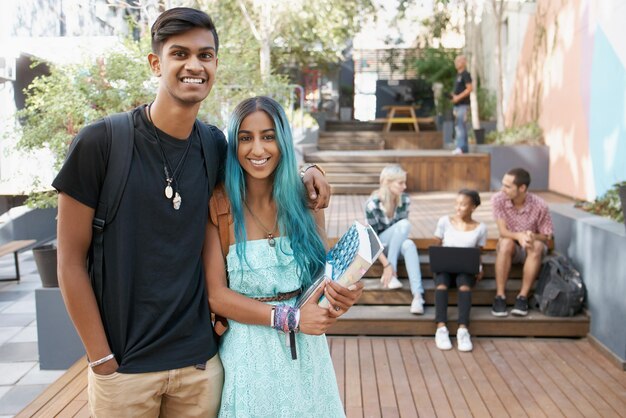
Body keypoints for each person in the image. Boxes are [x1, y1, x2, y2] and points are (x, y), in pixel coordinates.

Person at [53, 8, 329, 417]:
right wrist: (100, 358)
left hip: (200, 366)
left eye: (205, 54)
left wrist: (308, 171)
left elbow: (261, 166)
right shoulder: (101, 143)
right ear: (155, 62)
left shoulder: (213, 146)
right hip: (125, 371)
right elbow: (69, 260)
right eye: (179, 53)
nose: (194, 65)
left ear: (215, 63)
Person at [203, 96, 363, 417]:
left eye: (269, 136)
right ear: (234, 144)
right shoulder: (219, 205)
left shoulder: (305, 201)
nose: (258, 149)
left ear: (283, 141)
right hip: (249, 360)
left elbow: (320, 278)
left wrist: (341, 295)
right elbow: (216, 296)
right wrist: (291, 319)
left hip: (308, 358)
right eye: (246, 138)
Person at [491, 167, 553, 317]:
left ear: (522, 188)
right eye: (503, 184)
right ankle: (500, 297)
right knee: (506, 242)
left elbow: (547, 235)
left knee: (537, 245)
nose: (502, 189)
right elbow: (503, 231)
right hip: (511, 246)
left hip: (531, 249)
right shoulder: (498, 199)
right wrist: (519, 236)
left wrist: (532, 236)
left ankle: (522, 298)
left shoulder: (540, 205)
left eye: (507, 186)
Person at [365, 165, 424, 314]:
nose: (405, 187)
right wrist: (386, 265)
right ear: (387, 182)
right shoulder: (372, 204)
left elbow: (401, 233)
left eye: (404, 183)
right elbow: (372, 239)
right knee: (404, 224)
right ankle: (392, 271)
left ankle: (417, 296)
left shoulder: (404, 200)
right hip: (381, 246)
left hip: (396, 245)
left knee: (409, 244)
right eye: (400, 183)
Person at [432, 189, 487, 352]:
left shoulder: (480, 227)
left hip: (466, 269)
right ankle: (441, 328)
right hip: (444, 266)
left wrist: (480, 267)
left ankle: (463, 329)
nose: (458, 207)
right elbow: (436, 246)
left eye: (463, 204)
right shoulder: (444, 221)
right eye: (457, 203)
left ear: (473, 207)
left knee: (464, 286)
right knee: (441, 285)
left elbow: (479, 251)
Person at [451, 55, 473, 155]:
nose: (456, 63)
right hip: (457, 105)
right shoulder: (458, 75)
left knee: (461, 127)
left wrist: (458, 97)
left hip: (463, 105)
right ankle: (463, 148)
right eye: (456, 61)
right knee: (459, 126)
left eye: (458, 61)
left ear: (463, 62)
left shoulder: (465, 74)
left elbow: (469, 89)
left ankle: (461, 147)